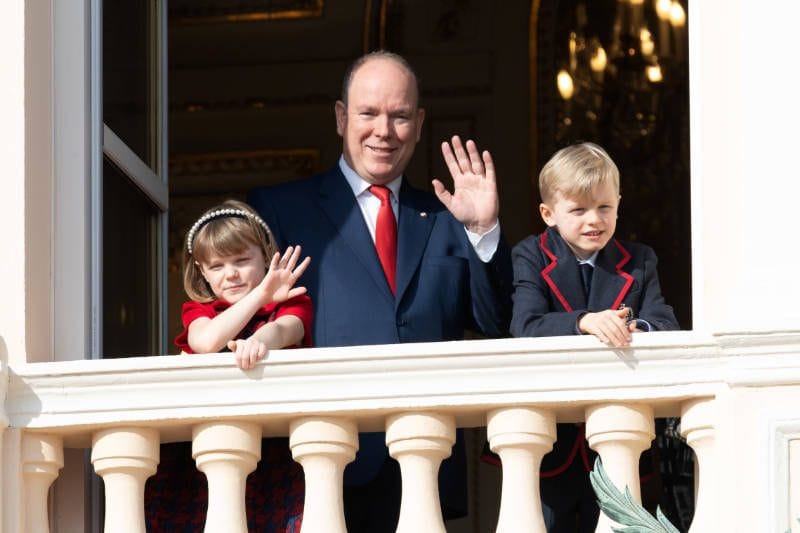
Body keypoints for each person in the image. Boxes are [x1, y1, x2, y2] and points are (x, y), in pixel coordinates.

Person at [248, 51, 513, 532]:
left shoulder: (451, 216)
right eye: (369, 113)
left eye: (400, 116)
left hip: (424, 459)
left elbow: (496, 322)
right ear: (340, 117)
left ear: (419, 122)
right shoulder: (280, 209)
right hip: (322, 459)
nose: (384, 131)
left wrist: (483, 231)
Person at [509, 142, 680, 531]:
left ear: (619, 203)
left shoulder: (639, 259)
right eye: (578, 209)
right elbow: (525, 324)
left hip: (618, 437)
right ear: (548, 214)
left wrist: (641, 329)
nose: (594, 220)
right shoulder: (531, 255)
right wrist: (583, 321)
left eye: (604, 207)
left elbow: (665, 319)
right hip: (550, 445)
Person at [145, 199, 313, 532]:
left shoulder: (291, 303)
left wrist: (258, 341)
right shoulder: (200, 311)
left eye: (241, 260)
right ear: (202, 272)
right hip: (203, 454)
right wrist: (260, 296)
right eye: (217, 266)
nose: (231, 273)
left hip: (273, 454)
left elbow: (284, 329)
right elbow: (207, 343)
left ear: (265, 256)